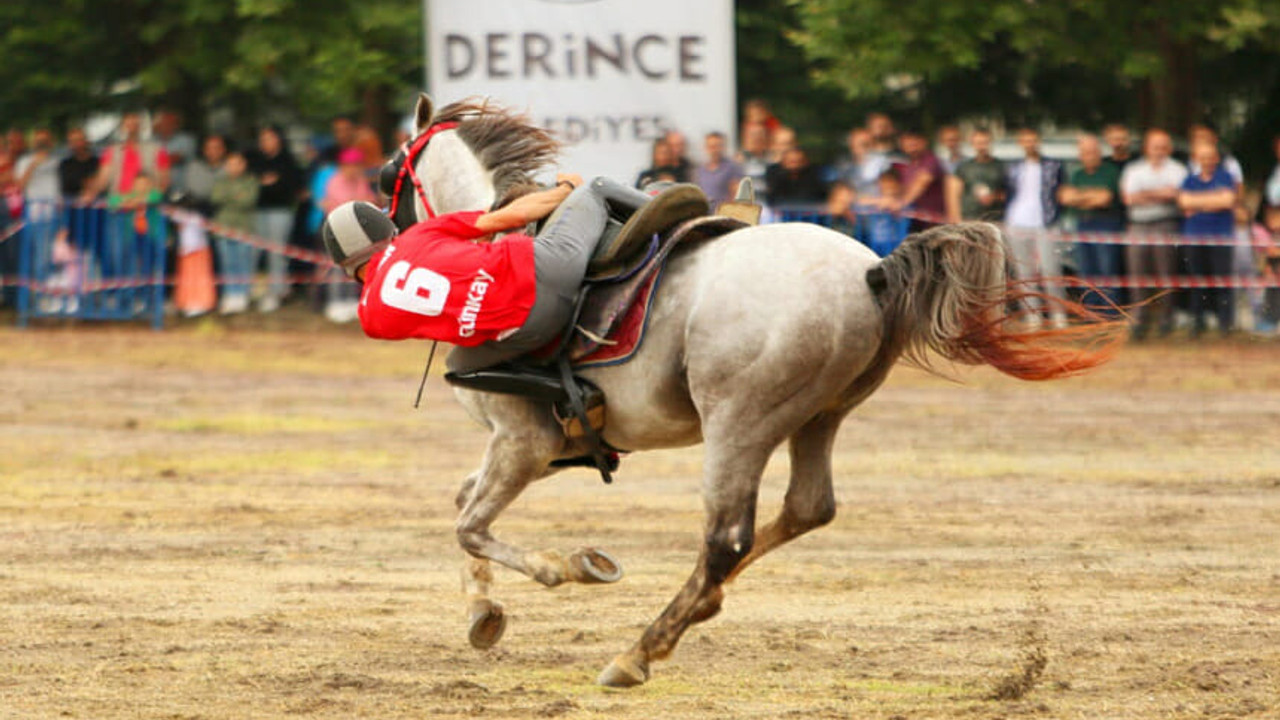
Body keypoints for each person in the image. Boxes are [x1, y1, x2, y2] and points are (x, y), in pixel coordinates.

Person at [324, 176, 689, 375]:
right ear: (383, 230)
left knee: (457, 366)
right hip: (547, 271)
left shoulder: (370, 320)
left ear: (347, 266)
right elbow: (508, 219)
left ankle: (568, 404)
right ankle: (695, 219)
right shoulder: (418, 234)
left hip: (528, 330)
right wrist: (564, 189)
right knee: (596, 189)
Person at [1120, 128, 1187, 339]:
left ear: (1168, 149)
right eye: (1154, 146)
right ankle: (1139, 320)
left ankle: (1166, 318)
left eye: (1162, 146)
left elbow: (1176, 195)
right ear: (1146, 148)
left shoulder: (1178, 170)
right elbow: (1129, 198)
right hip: (1137, 225)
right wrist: (1160, 194)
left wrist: (1144, 194)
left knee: (1166, 274)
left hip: (1165, 225)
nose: (1158, 150)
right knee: (1137, 274)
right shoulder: (1133, 170)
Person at [1004, 127, 1067, 327]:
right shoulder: (1013, 167)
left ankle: (1058, 312)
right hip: (1016, 221)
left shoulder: (1053, 165)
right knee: (1023, 271)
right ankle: (1032, 313)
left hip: (1045, 221)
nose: (1029, 144)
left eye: (1033, 140)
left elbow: (1061, 192)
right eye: (1025, 140)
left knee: (1050, 269)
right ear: (1020, 142)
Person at [1058, 134, 1125, 313]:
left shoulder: (1110, 171)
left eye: (1093, 151)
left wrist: (1079, 197)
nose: (1089, 155)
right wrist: (1091, 195)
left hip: (1106, 224)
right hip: (1082, 224)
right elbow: (1065, 197)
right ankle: (1090, 312)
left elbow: (1104, 198)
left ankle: (1109, 313)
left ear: (1099, 152)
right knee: (1085, 271)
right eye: (1085, 152)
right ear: (1080, 155)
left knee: (1106, 270)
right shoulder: (1077, 174)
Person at [1178, 141, 1239, 337]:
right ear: (1197, 159)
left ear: (1216, 158)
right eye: (1201, 157)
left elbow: (1228, 201)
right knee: (1197, 281)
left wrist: (1197, 203)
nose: (1206, 160)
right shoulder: (1189, 180)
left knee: (1222, 280)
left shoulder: (1226, 177)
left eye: (1209, 156)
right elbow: (1184, 202)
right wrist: (1213, 200)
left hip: (1221, 237)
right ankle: (1197, 321)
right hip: (1194, 237)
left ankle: (1225, 322)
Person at [246, 125, 302, 312]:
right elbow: (253, 186)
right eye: (262, 139)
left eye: (269, 138)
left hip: (281, 212)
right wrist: (269, 183)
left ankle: (276, 292)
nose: (265, 143)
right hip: (258, 211)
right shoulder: (256, 161)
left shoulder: (288, 161)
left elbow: (290, 187)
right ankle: (254, 291)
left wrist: (272, 184)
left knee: (276, 252)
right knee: (256, 252)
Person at [321, 148, 378, 322]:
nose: (353, 169)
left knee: (357, 268)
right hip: (337, 232)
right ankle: (335, 301)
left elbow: (370, 202)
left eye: (356, 165)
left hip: (358, 234)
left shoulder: (361, 181)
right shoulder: (335, 181)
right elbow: (345, 206)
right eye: (350, 165)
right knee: (336, 269)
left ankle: (352, 301)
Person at [210, 152, 261, 314]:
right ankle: (230, 295)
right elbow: (215, 198)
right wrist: (236, 196)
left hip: (244, 228)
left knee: (243, 263)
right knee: (227, 264)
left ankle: (242, 295)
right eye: (229, 164)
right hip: (223, 228)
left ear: (243, 165)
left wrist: (229, 196)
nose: (232, 167)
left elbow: (248, 200)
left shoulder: (251, 181)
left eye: (236, 163)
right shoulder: (220, 182)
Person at [889, 129, 946, 232]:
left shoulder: (931, 161)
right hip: (914, 223)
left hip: (934, 224)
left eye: (916, 139)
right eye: (907, 140)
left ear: (924, 141)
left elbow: (921, 183)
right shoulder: (907, 166)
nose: (912, 143)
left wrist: (901, 203)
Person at [947, 127, 1007, 222]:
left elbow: (1009, 194)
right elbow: (952, 197)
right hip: (969, 220)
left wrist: (994, 197)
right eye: (978, 143)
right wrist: (955, 221)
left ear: (990, 142)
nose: (981, 147)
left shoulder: (1001, 166)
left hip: (995, 220)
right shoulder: (963, 167)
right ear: (972, 144)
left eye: (985, 142)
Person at [153, 109, 197, 195]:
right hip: (157, 190)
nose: (166, 125)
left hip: (180, 190)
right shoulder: (154, 140)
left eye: (170, 123)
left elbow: (176, 159)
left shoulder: (186, 139)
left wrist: (156, 159)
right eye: (163, 122)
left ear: (177, 125)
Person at [693, 132, 742, 207]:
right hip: (705, 213)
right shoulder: (700, 170)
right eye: (711, 147)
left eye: (717, 146)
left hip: (723, 214)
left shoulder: (731, 168)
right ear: (706, 148)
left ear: (723, 147)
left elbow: (736, 194)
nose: (715, 150)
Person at [736, 122, 771, 200]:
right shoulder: (736, 162)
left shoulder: (772, 161)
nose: (756, 138)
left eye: (759, 134)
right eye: (752, 135)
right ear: (745, 137)